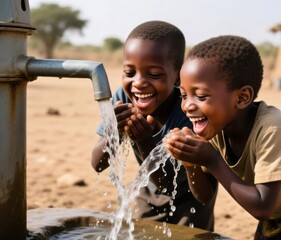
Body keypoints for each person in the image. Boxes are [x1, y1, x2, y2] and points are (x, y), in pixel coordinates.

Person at [165, 35, 281, 239]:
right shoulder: (214, 128)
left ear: (242, 97)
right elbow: (205, 195)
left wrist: (212, 160)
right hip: (277, 208)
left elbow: (262, 208)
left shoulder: (272, 128)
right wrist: (191, 165)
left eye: (200, 96)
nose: (187, 106)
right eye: (183, 95)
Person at [91, 20, 217, 231]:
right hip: (148, 191)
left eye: (154, 74)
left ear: (178, 77)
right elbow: (97, 164)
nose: (138, 83)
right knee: (139, 233)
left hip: (193, 196)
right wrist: (114, 130)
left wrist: (144, 141)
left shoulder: (189, 110)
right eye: (130, 73)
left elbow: (168, 184)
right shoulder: (124, 98)